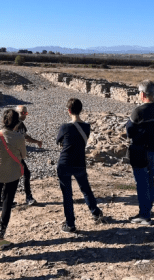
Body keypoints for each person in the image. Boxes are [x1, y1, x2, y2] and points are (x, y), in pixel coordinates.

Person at [56, 98, 103, 232]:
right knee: (85, 189)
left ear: (69, 110)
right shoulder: (87, 127)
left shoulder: (65, 127)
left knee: (67, 194)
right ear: (81, 110)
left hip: (64, 162)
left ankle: (70, 224)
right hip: (79, 162)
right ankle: (95, 212)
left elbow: (58, 141)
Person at [126, 80, 154, 225]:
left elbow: (129, 131)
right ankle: (147, 209)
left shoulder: (138, 111)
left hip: (140, 151)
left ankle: (144, 215)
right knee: (150, 180)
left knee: (141, 183)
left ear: (142, 94)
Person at [0, 109, 26, 249]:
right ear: (16, 123)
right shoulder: (19, 137)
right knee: (7, 203)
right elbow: (23, 155)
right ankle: (1, 237)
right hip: (12, 174)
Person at [14, 105, 42, 205]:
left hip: (18, 155)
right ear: (16, 113)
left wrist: (36, 141)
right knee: (19, 175)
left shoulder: (21, 124)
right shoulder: (12, 125)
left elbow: (26, 137)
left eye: (26, 113)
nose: (25, 115)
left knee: (20, 175)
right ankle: (28, 198)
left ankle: (7, 200)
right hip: (12, 155)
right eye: (23, 113)